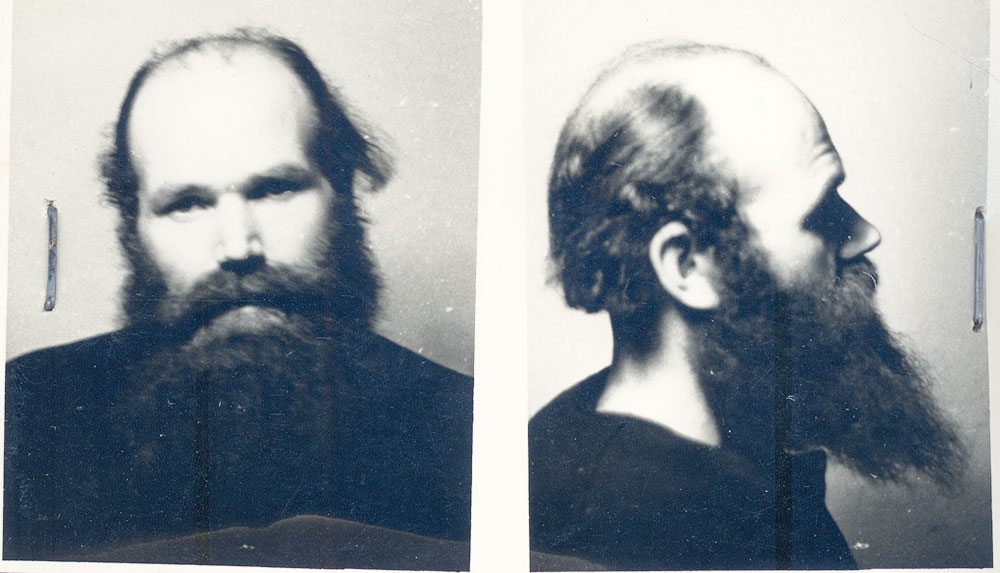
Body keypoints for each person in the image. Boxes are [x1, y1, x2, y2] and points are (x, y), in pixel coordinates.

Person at [5, 30, 473, 569]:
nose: (237, 247)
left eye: (274, 189)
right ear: (132, 229)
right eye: (187, 203)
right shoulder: (30, 413)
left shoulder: (466, 430)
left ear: (343, 193)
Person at [529, 42, 964, 571]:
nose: (865, 233)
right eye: (819, 210)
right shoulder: (638, 536)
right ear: (689, 265)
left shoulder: (726, 446)